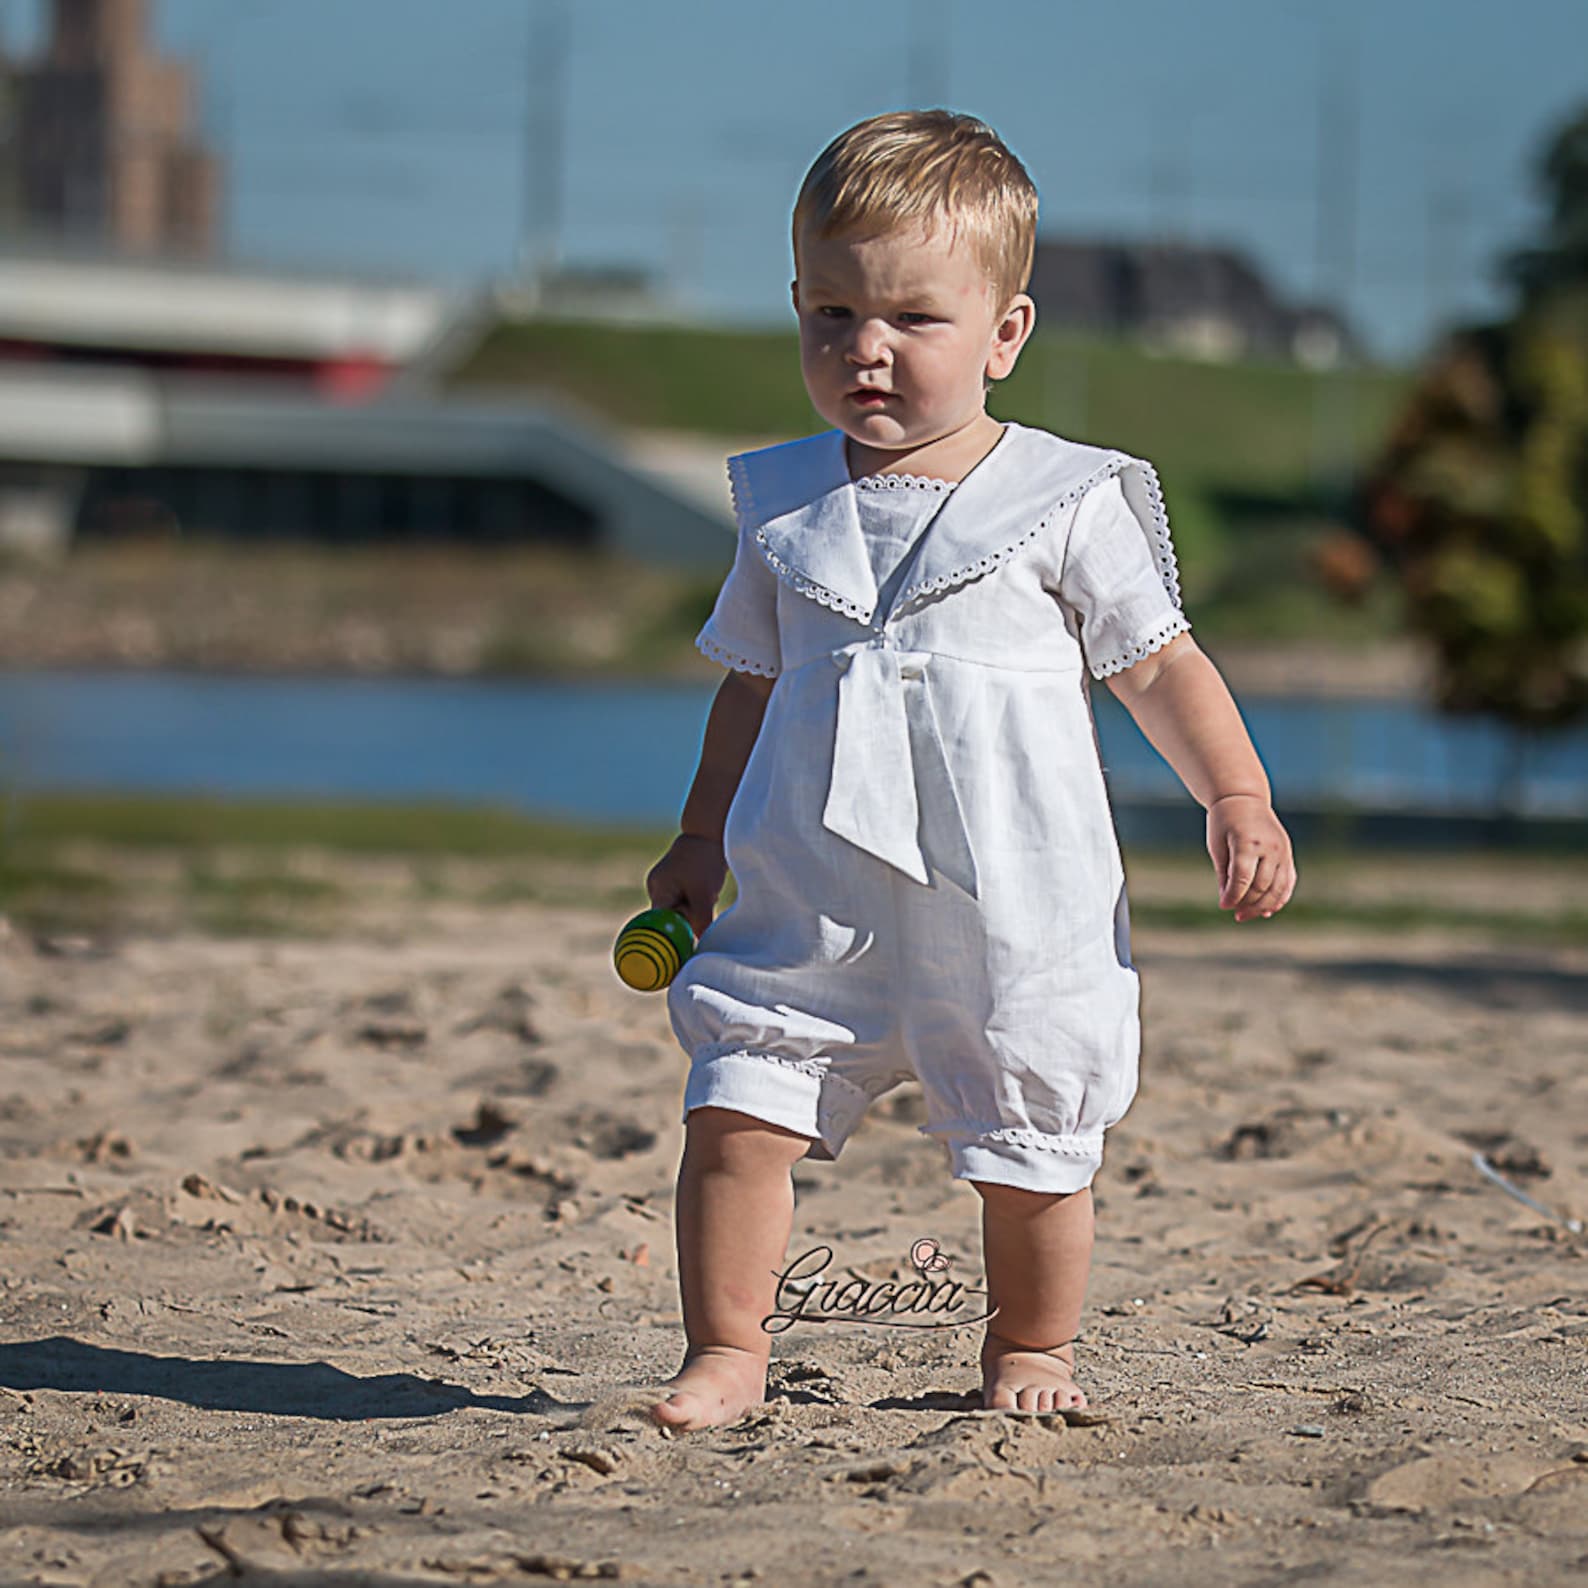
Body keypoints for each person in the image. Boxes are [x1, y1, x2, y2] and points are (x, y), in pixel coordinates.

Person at [642, 109, 1297, 1432]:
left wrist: (1236, 793)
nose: (866, 349)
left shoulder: (1061, 500)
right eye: (832, 314)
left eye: (913, 320)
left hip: (1012, 895)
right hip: (808, 884)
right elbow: (748, 688)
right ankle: (728, 1351)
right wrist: (702, 835)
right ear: (797, 310)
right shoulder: (785, 508)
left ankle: (1031, 1347)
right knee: (739, 1106)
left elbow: (1159, 667)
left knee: (1033, 1140)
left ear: (1004, 334)